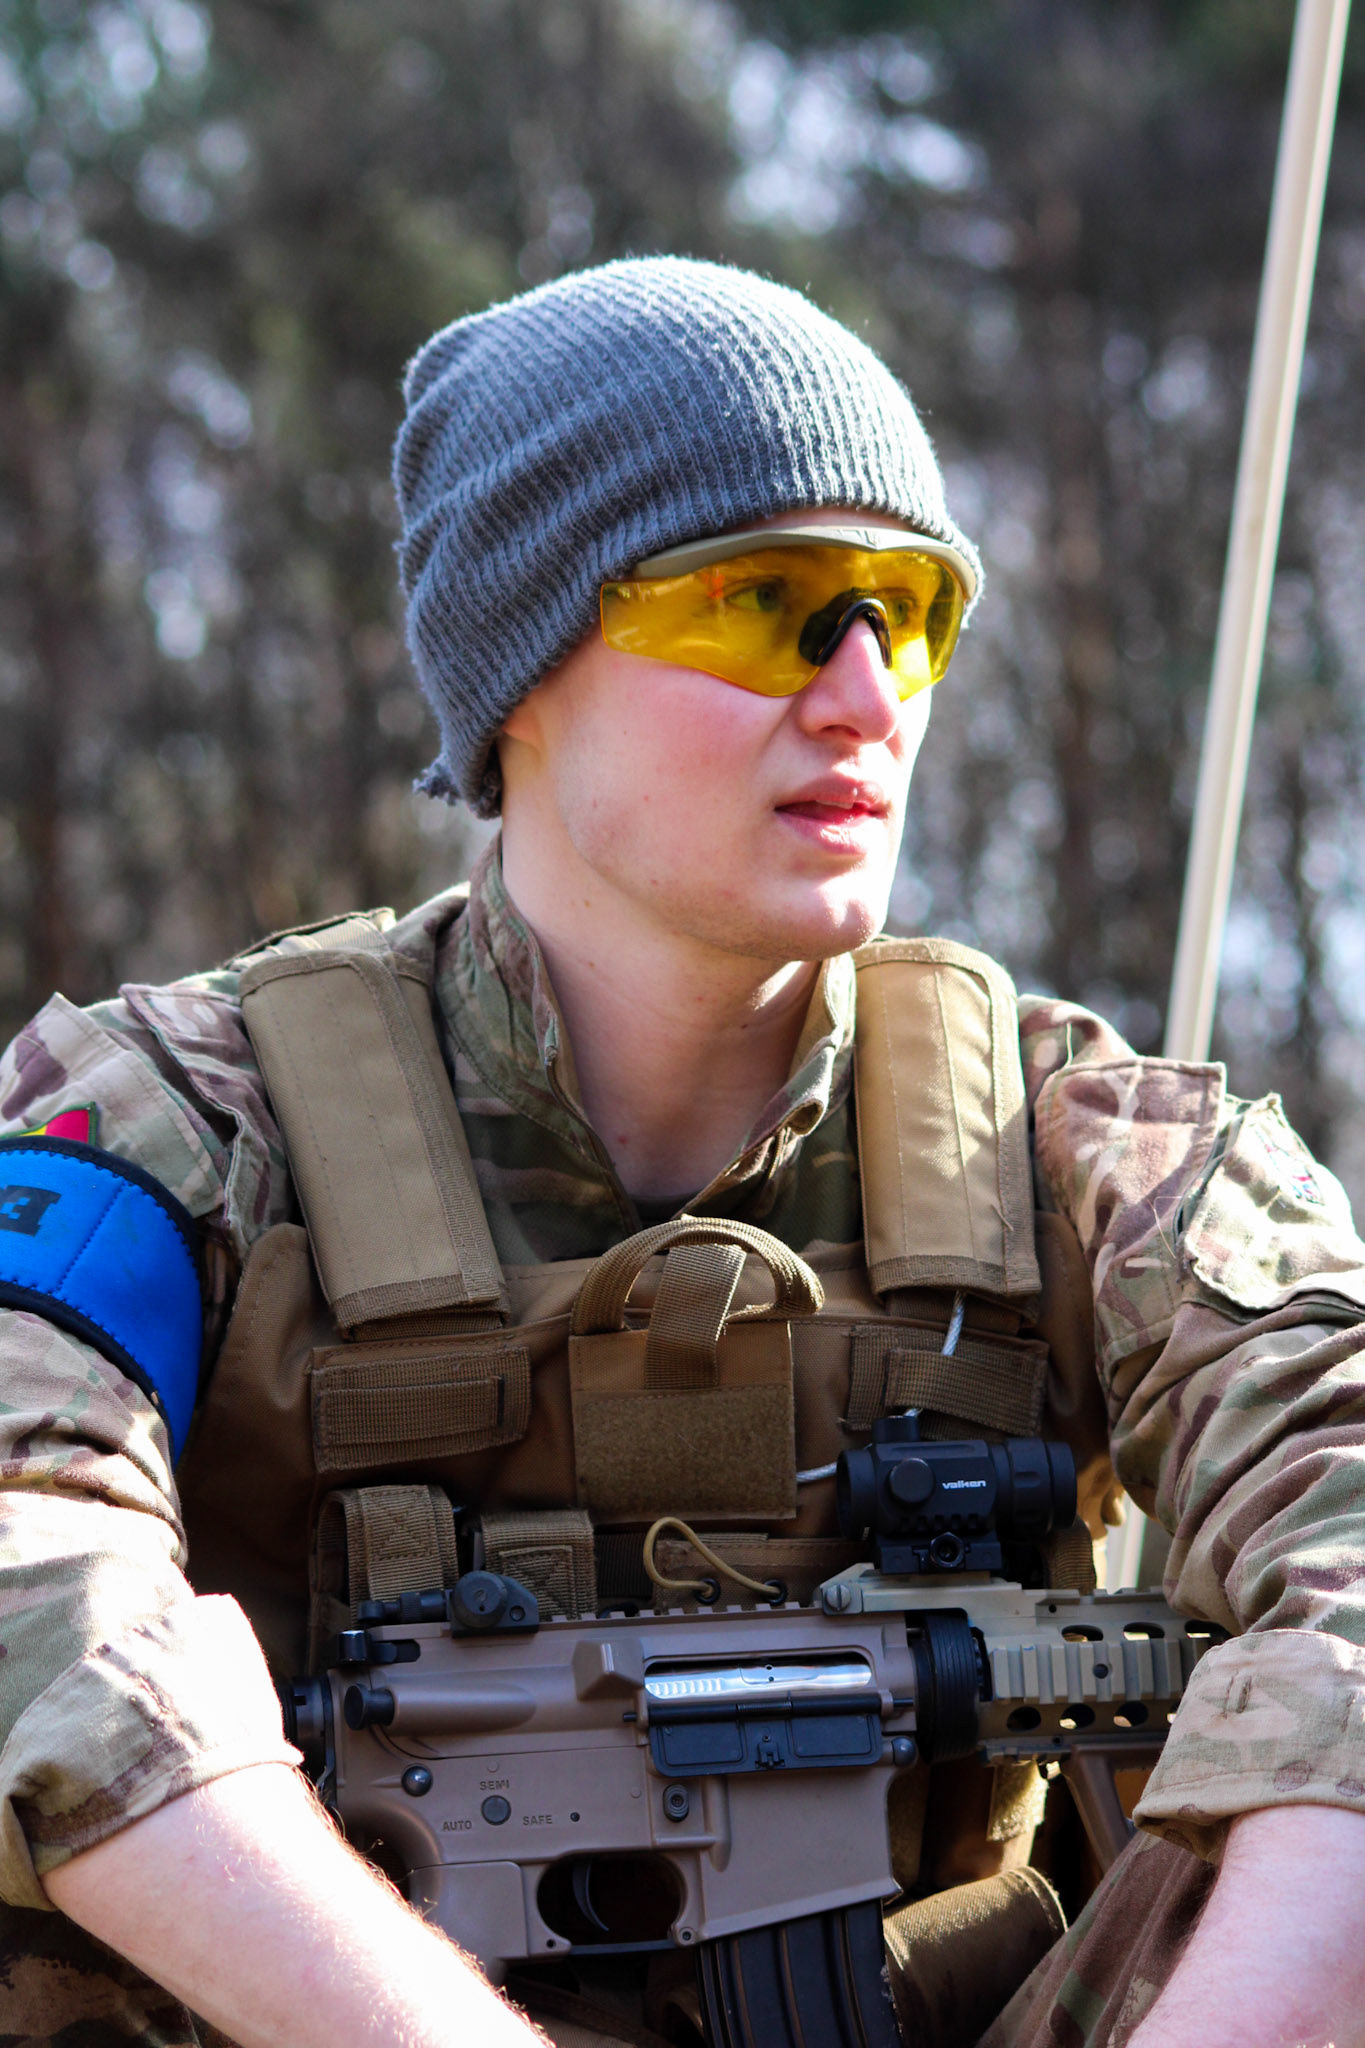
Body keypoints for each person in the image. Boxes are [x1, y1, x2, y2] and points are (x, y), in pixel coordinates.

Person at [2, 255, 1365, 2048]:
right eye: (763, 605)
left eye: (909, 614)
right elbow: (27, 1568)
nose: (866, 696)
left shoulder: (1095, 1153)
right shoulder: (182, 1113)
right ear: (522, 670)